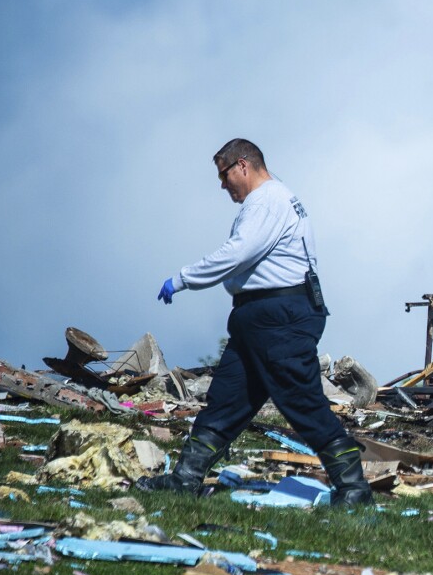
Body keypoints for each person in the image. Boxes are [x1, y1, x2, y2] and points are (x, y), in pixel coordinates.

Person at [136, 139, 372, 506]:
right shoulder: (276, 199)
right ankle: (185, 479)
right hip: (260, 319)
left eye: (224, 174)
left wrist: (183, 278)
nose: (222, 184)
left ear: (242, 166)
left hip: (279, 318)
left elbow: (238, 252)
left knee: (302, 400)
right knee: (227, 399)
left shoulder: (266, 200)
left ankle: (354, 488)